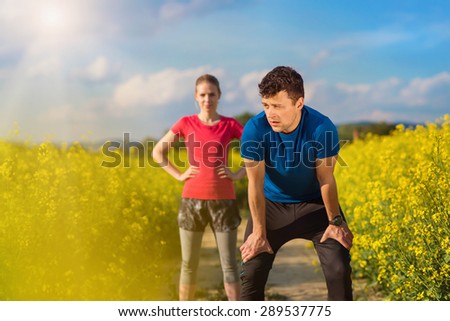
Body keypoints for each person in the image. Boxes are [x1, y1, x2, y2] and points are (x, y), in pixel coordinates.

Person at [239, 66, 353, 300]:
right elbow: (255, 184)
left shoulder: (322, 127)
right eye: (266, 105)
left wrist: (335, 222)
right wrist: (259, 233)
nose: (270, 113)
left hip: (314, 205)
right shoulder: (254, 129)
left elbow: (326, 178)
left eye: (278, 106)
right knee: (251, 272)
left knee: (338, 270)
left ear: (299, 103)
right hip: (271, 205)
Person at [152, 74, 245, 301]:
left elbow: (258, 151)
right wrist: (179, 175)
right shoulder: (185, 123)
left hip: (224, 200)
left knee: (230, 265)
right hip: (191, 200)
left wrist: (237, 174)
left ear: (219, 96)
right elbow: (157, 152)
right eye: (202, 95)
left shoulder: (230, 124)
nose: (207, 99)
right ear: (196, 96)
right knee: (188, 264)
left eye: (211, 94)